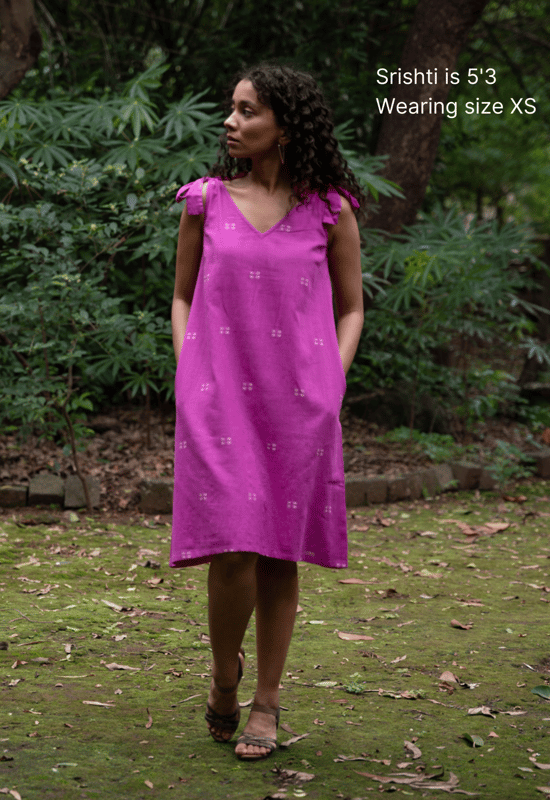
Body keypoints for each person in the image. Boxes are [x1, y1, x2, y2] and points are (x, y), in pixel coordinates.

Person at [170, 63, 364, 761]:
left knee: (280, 553)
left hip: (299, 405)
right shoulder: (205, 202)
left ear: (285, 125)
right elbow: (182, 296)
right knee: (231, 547)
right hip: (218, 398)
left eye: (247, 110)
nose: (230, 121)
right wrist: (188, 372)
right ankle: (224, 678)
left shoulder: (331, 211)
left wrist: (331, 383)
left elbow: (352, 308)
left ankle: (267, 703)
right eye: (231, 108)